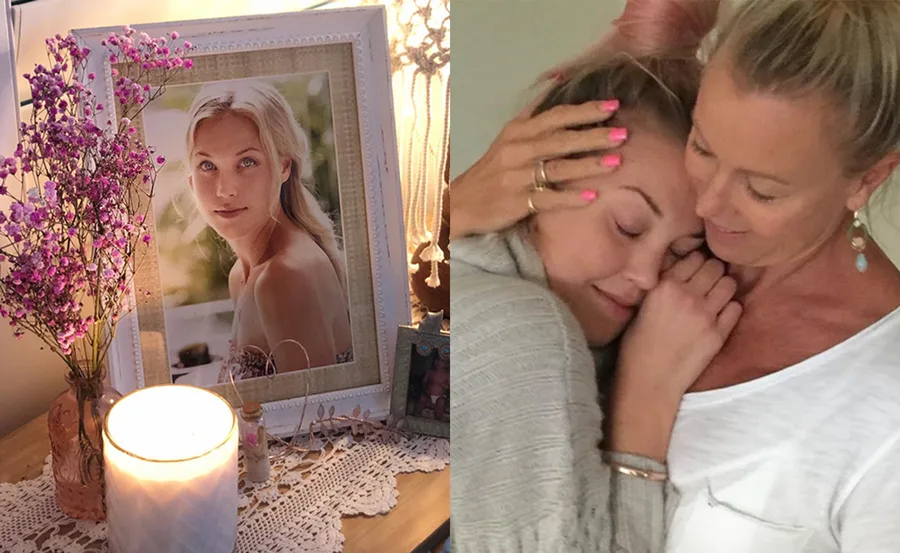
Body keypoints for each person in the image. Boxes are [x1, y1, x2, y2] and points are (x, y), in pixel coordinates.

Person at [454, 0, 900, 551]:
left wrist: (642, 400)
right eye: (703, 147)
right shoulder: (622, 257)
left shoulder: (884, 411)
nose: (708, 205)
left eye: (762, 190)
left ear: (867, 180)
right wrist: (454, 211)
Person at [450, 1, 730, 550]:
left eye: (682, 252)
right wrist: (643, 406)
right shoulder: (524, 335)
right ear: (539, 181)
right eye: (628, 226)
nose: (648, 276)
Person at [182, 80, 353, 382]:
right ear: (191, 181)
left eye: (247, 162)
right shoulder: (242, 274)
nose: (224, 190)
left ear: (284, 166)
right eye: (207, 165)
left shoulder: (283, 277)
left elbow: (316, 410)